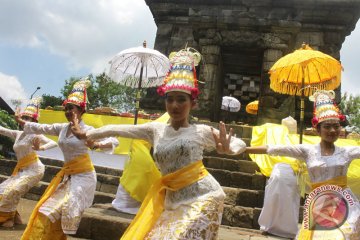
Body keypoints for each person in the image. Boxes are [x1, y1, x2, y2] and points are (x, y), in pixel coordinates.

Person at [71, 48, 247, 239]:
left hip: (204, 197)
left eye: (181, 100)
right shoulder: (155, 130)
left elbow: (239, 143)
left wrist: (230, 149)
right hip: (171, 200)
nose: (175, 105)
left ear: (192, 104)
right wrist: (88, 133)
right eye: (170, 100)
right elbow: (117, 129)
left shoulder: (201, 131)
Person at [246, 90, 360, 239]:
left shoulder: (347, 152)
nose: (332, 130)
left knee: (343, 235)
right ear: (317, 129)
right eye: (327, 126)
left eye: (336, 126)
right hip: (319, 203)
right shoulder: (308, 151)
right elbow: (272, 149)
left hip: (344, 201)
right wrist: (242, 148)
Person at [16, 79, 119, 240]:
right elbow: (41, 127)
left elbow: (114, 141)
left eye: (71, 108)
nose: (67, 111)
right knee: (45, 211)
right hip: (67, 177)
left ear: (81, 110)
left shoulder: (88, 130)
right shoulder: (62, 128)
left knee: (64, 208)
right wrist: (22, 122)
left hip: (84, 178)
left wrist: (95, 143)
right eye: (66, 108)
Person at [0, 97, 58, 228]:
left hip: (35, 170)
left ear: (34, 122)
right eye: (24, 117)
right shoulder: (18, 134)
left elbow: (53, 142)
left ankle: (6, 218)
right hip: (21, 170)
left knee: (13, 190)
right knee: (3, 189)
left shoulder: (35, 134)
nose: (25, 121)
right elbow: (2, 130)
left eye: (28, 119)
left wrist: (41, 148)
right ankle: (13, 216)